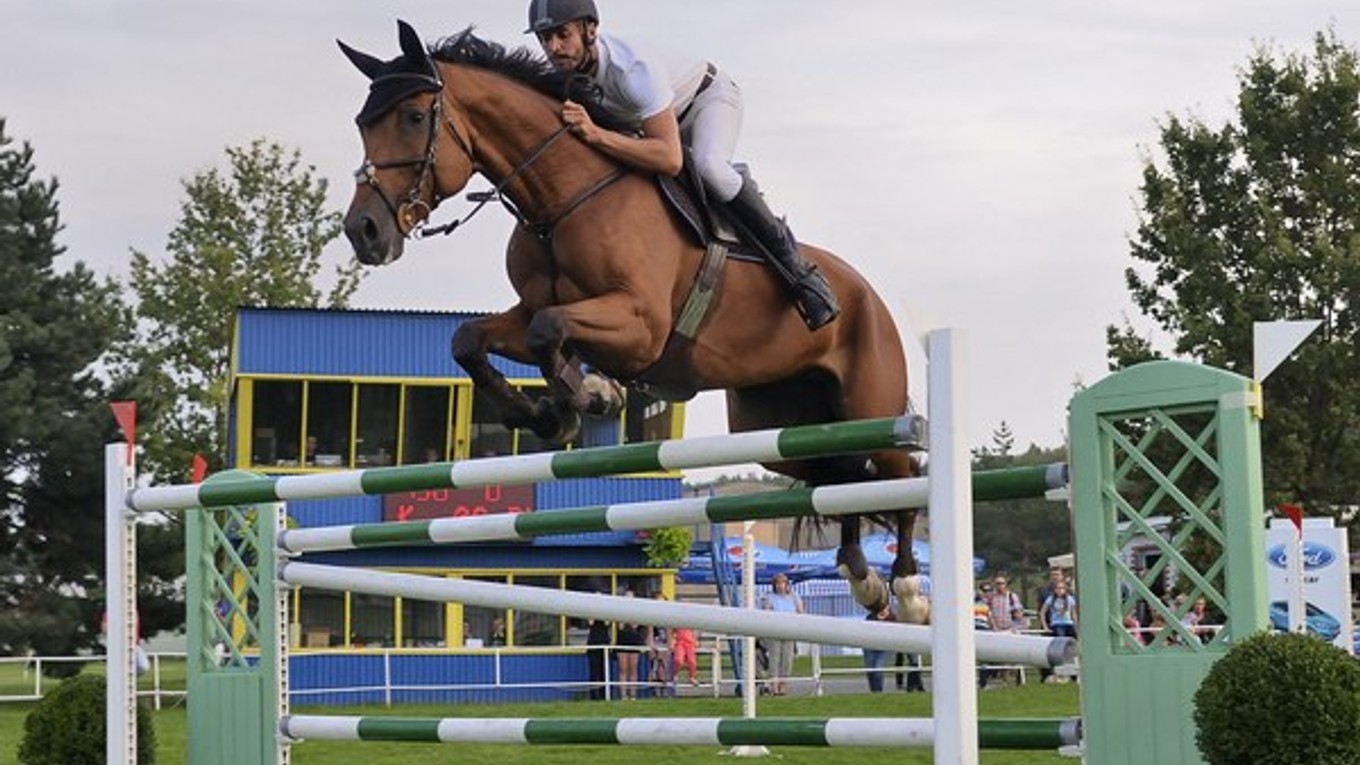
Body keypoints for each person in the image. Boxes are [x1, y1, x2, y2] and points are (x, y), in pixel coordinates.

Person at [526, 0, 840, 330]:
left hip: (706, 102)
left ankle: (800, 274)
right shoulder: (563, 78)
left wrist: (597, 136)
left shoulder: (632, 70)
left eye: (562, 35)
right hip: (651, 127)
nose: (553, 48)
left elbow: (670, 159)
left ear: (590, 30)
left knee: (709, 167)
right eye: (544, 39)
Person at [760, 573, 803, 695]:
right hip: (774, 632)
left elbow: (801, 612)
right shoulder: (770, 597)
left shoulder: (794, 597)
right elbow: (766, 612)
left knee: (787, 660)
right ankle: (774, 685)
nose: (780, 586)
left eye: (782, 583)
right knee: (774, 659)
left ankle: (783, 685)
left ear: (787, 585)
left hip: (789, 631)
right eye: (777, 583)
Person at [614, 590, 646, 699]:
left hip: (634, 641)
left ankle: (633, 694)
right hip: (622, 640)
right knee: (623, 668)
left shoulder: (637, 611)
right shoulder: (619, 611)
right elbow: (621, 627)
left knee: (633, 668)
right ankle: (623, 695)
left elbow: (635, 626)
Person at [862, 604, 894, 693]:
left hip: (884, 648)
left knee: (878, 669)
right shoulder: (871, 616)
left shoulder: (892, 618)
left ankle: (878, 692)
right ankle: (873, 691)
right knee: (870, 670)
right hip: (870, 647)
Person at [586, 612, 612, 700]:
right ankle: (593, 696)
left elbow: (607, 623)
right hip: (593, 643)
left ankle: (603, 695)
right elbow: (590, 622)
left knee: (604, 672)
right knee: (593, 672)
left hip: (604, 642)